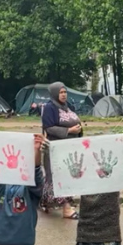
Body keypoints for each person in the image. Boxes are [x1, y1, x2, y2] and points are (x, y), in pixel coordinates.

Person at [41, 81, 81, 219]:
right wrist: (69, 130)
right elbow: (48, 127)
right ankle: (66, 208)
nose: (64, 95)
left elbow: (74, 120)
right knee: (58, 178)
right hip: (55, 149)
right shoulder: (49, 108)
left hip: (69, 149)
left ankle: (45, 202)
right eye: (61, 92)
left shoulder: (67, 106)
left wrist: (79, 129)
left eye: (65, 92)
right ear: (54, 94)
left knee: (66, 176)